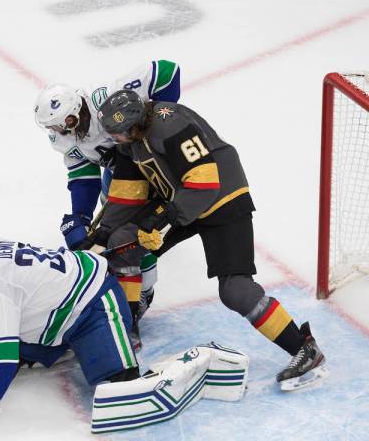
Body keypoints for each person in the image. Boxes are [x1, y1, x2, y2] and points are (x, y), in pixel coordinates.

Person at [91, 89, 328, 390]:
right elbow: (127, 195)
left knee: (235, 290)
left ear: (133, 125)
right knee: (123, 242)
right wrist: (100, 234)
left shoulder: (169, 122)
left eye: (117, 134)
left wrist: (162, 220)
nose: (114, 140)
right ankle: (126, 327)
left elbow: (204, 182)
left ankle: (303, 348)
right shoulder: (131, 143)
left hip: (222, 199)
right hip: (182, 199)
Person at [0, 230, 140, 425]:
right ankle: (53, 348)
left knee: (118, 382)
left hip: (96, 300)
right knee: (21, 323)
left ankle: (127, 378)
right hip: (68, 299)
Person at [33, 60, 181, 347]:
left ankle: (141, 296)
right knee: (106, 239)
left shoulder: (106, 99)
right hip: (118, 178)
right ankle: (123, 291)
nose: (61, 131)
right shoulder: (62, 138)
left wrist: (164, 122)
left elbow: (166, 71)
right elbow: (83, 175)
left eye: (63, 123)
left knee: (131, 238)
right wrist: (81, 217)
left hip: (151, 168)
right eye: (53, 127)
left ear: (77, 109)